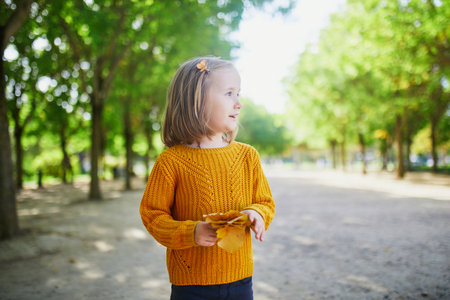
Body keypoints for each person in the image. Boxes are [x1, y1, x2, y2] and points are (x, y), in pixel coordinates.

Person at [139, 56, 275, 300]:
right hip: (191, 285)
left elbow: (265, 202)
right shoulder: (171, 162)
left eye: (238, 93)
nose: (239, 103)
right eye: (229, 93)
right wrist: (191, 232)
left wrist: (257, 213)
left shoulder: (247, 156)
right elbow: (152, 216)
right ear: (197, 101)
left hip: (241, 280)